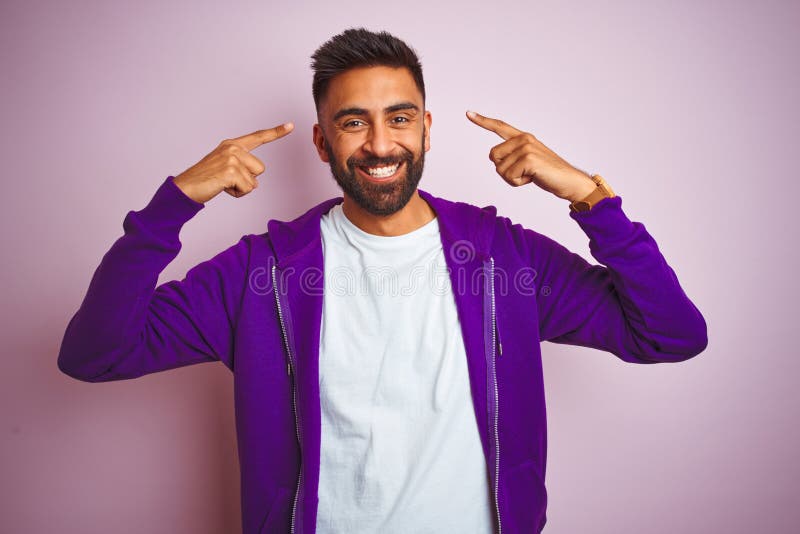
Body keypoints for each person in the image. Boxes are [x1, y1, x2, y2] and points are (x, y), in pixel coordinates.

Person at [57, 27, 708, 534]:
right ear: (321, 142)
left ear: (425, 130)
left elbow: (671, 335)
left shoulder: (505, 260)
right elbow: (96, 354)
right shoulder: (262, 274)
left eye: (399, 118)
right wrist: (172, 205)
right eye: (352, 121)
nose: (379, 143)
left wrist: (592, 199)